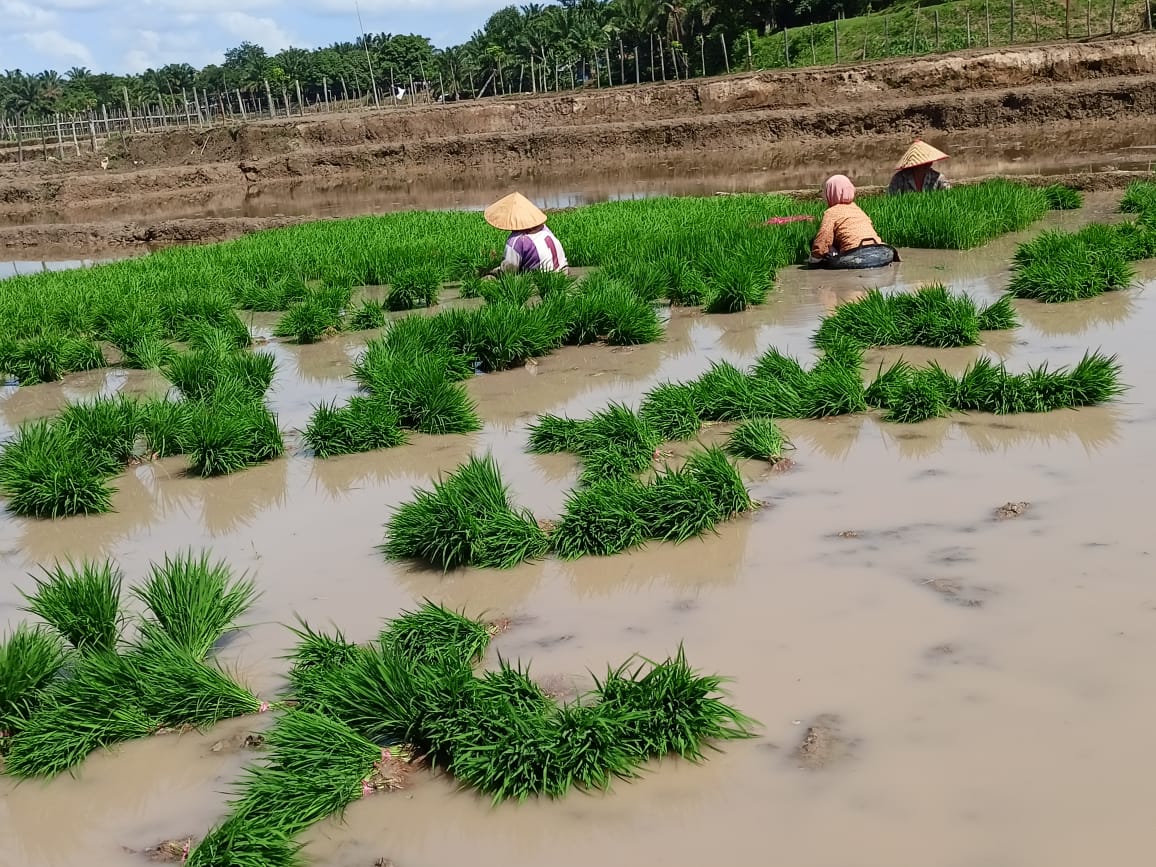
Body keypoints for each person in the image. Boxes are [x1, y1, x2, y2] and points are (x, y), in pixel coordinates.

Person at [484, 192, 569, 275]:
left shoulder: (516, 240)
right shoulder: (544, 229)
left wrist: (494, 272)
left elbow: (509, 270)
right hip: (564, 271)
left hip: (542, 278)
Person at [808, 174, 885, 264]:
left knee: (817, 243)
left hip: (855, 253)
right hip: (879, 249)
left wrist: (814, 259)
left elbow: (823, 238)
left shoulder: (831, 212)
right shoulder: (857, 209)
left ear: (832, 192)